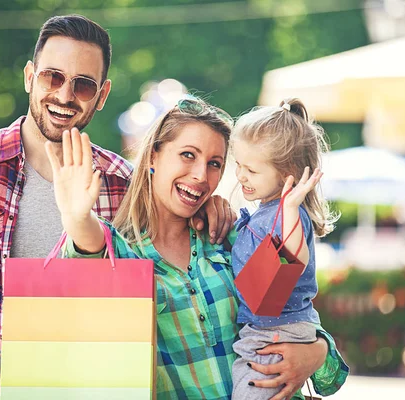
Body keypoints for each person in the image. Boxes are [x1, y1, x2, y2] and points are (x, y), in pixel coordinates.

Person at [0, 15, 233, 399]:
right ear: (30, 76)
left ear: (102, 94)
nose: (64, 95)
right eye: (52, 77)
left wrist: (209, 208)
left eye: (83, 85)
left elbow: (175, 259)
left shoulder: (126, 186)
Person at [51, 96, 348, 400]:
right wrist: (76, 219)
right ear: (153, 156)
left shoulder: (232, 239)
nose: (200, 176)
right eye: (188, 155)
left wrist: (316, 352)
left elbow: (299, 325)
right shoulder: (127, 253)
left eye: (215, 164)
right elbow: (88, 253)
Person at [229, 98, 339, 399]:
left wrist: (290, 206)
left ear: (287, 173)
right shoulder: (269, 213)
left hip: (274, 335)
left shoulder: (288, 214)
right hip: (269, 331)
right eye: (238, 165)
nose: (240, 176)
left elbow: (293, 262)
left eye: (251, 170)